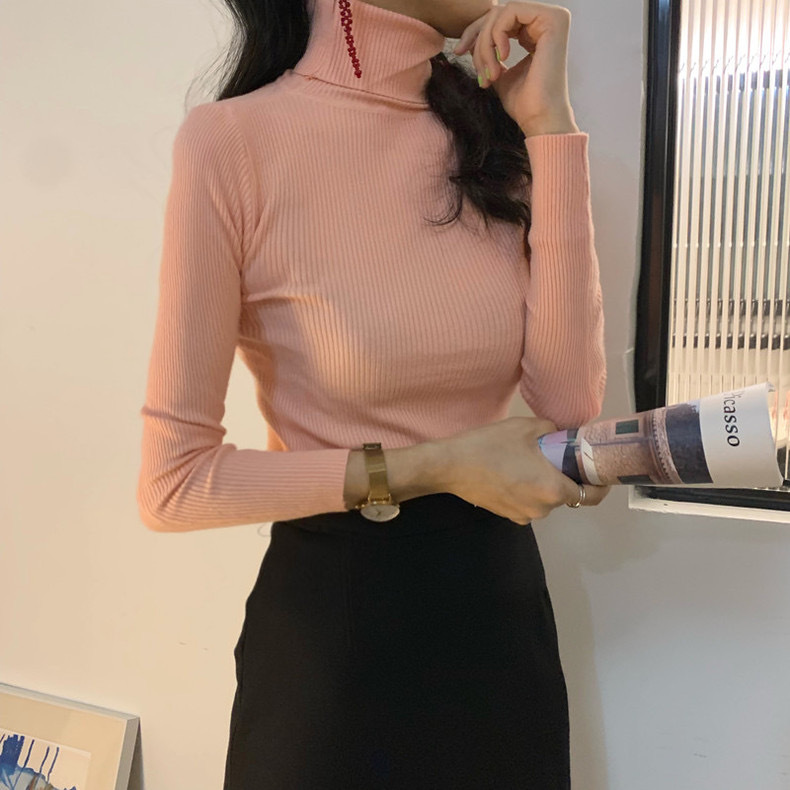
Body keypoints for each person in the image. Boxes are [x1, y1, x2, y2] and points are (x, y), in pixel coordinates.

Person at [136, 0, 610, 786]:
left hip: (498, 616)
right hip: (336, 635)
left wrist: (550, 128)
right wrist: (439, 464)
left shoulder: (489, 138)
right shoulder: (233, 143)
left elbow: (565, 405)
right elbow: (173, 483)